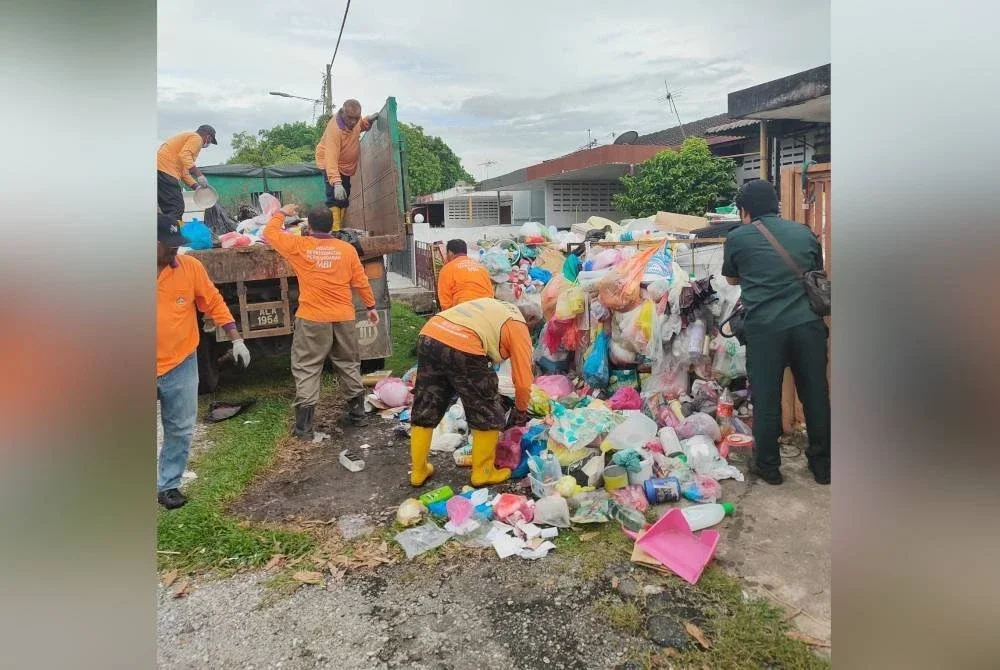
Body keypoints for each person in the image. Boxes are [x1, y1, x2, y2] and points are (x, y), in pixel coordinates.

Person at [721, 179, 830, 486]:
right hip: (808, 326)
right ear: (776, 205)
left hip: (765, 330)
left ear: (744, 211)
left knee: (767, 398)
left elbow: (730, 279)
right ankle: (823, 467)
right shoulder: (804, 233)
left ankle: (769, 467)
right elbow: (814, 272)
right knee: (816, 394)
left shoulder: (738, 237)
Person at [156, 214, 251, 509]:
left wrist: (236, 338)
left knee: (181, 427)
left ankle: (168, 484)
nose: (175, 250)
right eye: (168, 245)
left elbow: (213, 301)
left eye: (177, 244)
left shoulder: (190, 268)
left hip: (180, 361)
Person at [262, 204, 379, 437]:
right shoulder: (347, 250)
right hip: (344, 316)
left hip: (312, 318)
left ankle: (304, 427)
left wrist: (282, 213)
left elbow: (269, 234)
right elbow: (361, 281)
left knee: (307, 366)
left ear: (309, 227)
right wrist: (370, 306)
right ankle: (358, 415)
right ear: (332, 226)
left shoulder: (300, 246)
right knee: (348, 362)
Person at [408, 298, 541, 488]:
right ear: (531, 318)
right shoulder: (518, 324)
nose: (531, 331)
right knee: (486, 408)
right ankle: (483, 472)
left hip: (430, 333)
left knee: (427, 403)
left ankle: (418, 470)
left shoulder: (497, 305)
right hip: (464, 343)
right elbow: (522, 381)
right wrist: (520, 412)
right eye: (533, 326)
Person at [316, 100, 377, 231]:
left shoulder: (354, 122)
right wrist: (337, 183)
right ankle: (335, 231)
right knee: (333, 197)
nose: (353, 122)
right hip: (329, 164)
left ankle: (339, 226)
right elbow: (330, 158)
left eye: (356, 118)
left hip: (345, 167)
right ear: (342, 113)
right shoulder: (335, 129)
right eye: (350, 118)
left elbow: (359, 126)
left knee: (344, 197)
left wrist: (368, 120)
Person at [157, 125, 218, 222]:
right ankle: (173, 233)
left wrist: (196, 187)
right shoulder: (196, 138)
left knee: (168, 208)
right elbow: (185, 155)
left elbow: (184, 172)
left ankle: (166, 233)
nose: (208, 144)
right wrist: (199, 174)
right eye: (210, 141)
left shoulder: (187, 140)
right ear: (208, 137)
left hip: (160, 171)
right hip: (166, 171)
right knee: (176, 207)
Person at [436, 239, 495, 309]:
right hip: (487, 307)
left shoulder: (446, 269)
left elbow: (445, 300)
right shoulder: (481, 267)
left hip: (464, 309)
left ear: (450, 253)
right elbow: (491, 292)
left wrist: (449, 315)